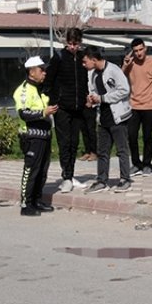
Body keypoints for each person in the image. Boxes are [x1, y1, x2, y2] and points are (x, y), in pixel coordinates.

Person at [43, 27, 92, 192]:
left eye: (76, 44)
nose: (73, 47)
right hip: (62, 107)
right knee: (64, 143)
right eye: (70, 44)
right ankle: (66, 177)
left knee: (74, 143)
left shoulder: (82, 58)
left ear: (80, 42)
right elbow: (48, 81)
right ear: (66, 42)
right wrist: (52, 100)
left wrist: (86, 97)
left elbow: (85, 79)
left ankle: (71, 174)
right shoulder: (58, 57)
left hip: (78, 107)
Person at [82, 45, 133, 193]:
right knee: (102, 151)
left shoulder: (113, 70)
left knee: (122, 150)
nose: (84, 65)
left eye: (85, 61)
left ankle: (125, 179)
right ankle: (101, 180)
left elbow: (124, 90)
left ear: (93, 59)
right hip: (103, 118)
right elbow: (93, 92)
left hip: (118, 117)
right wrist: (91, 100)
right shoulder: (92, 74)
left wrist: (102, 98)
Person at [13, 56, 58, 216]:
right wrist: (43, 112)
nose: (44, 73)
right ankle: (26, 204)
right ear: (32, 72)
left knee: (42, 171)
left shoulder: (40, 89)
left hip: (44, 135)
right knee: (31, 170)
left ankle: (37, 200)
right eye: (41, 70)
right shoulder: (24, 90)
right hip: (31, 137)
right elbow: (23, 113)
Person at [121, 38, 152, 176]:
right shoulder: (130, 64)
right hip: (134, 105)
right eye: (135, 51)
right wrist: (125, 65)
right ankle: (136, 164)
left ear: (145, 48)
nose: (138, 53)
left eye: (140, 50)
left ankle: (147, 164)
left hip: (149, 105)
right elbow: (119, 77)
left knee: (147, 136)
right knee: (131, 135)